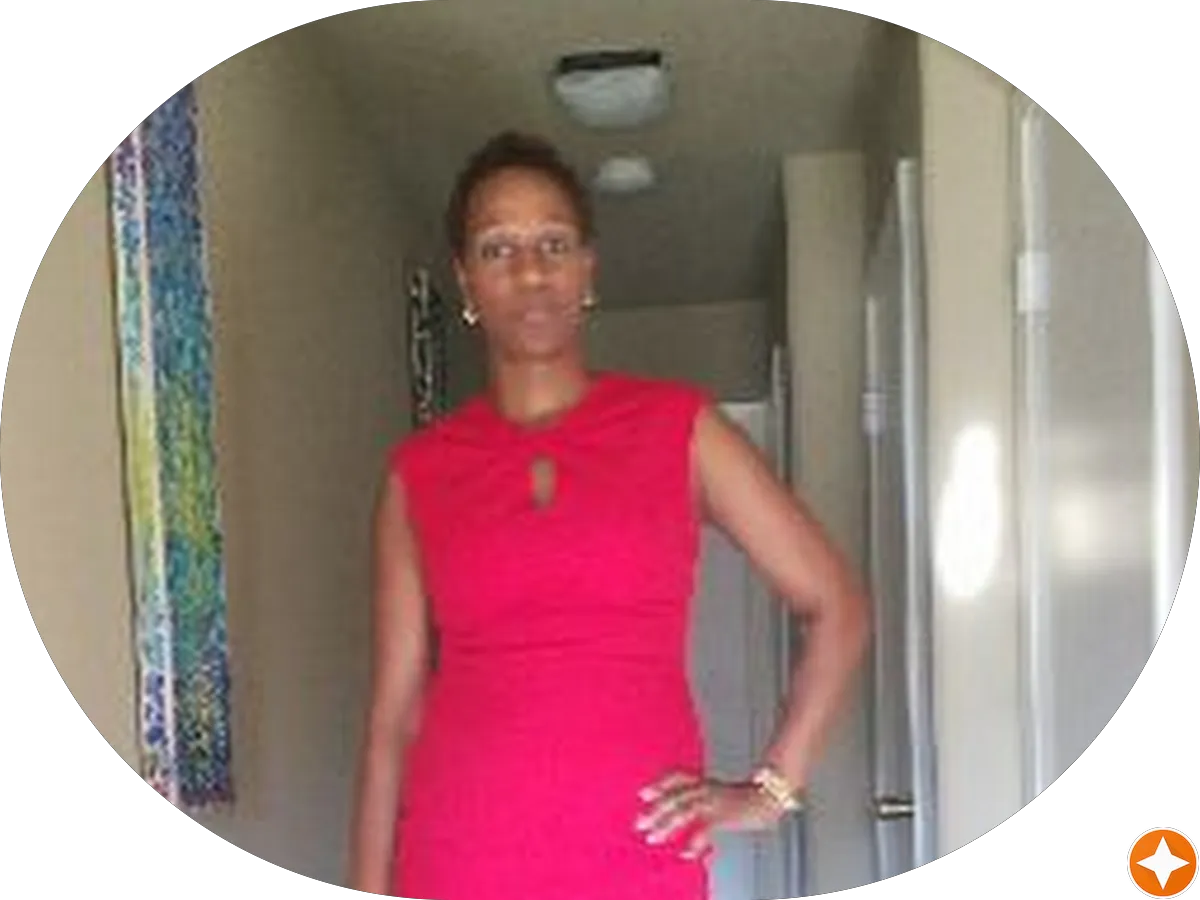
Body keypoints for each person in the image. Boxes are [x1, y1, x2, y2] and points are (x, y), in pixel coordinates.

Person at [347, 131, 871, 899]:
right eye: (498, 248)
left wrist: (769, 792)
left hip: (635, 858)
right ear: (465, 280)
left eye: (553, 243)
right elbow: (394, 717)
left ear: (587, 268)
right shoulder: (418, 473)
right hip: (457, 856)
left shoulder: (680, 430)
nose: (530, 271)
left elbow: (837, 605)